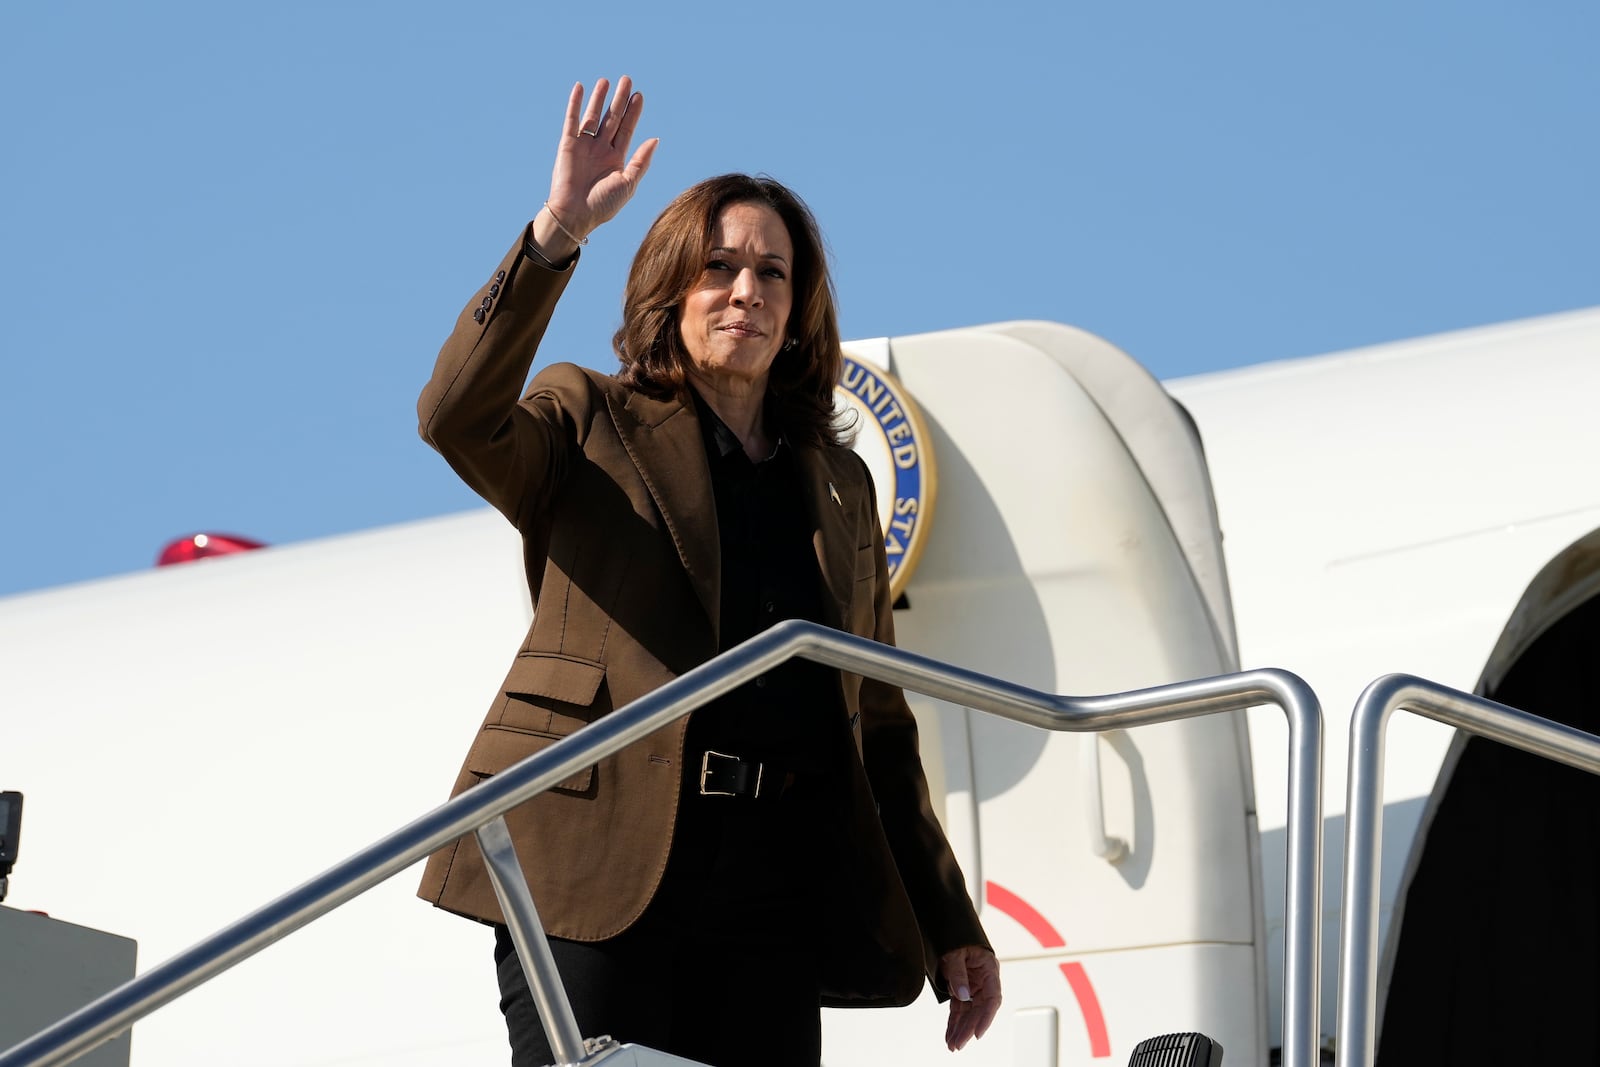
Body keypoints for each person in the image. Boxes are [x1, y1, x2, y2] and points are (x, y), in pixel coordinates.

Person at [416, 75, 1000, 1067]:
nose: (747, 290)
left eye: (773, 273)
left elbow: (879, 719)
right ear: (669, 290)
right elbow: (455, 417)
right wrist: (556, 231)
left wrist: (949, 914)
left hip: (771, 889)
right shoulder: (589, 416)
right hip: (594, 867)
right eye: (719, 266)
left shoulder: (839, 483)